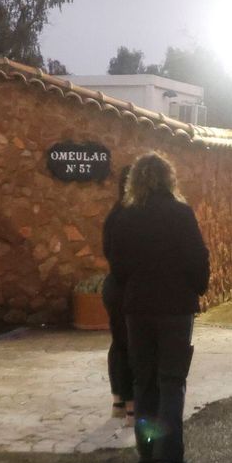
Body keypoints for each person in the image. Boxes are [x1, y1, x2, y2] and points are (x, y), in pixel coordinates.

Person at [103, 152, 209, 463]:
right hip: (175, 308)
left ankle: (148, 450)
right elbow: (197, 258)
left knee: (144, 380)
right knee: (172, 382)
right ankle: (170, 458)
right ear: (169, 178)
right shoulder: (180, 213)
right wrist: (197, 288)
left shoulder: (124, 217)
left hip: (137, 308)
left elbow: (116, 265)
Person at [101, 165, 134, 416]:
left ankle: (118, 402)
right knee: (133, 345)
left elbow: (109, 252)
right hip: (130, 288)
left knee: (119, 343)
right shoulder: (134, 215)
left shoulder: (114, 213)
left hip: (114, 286)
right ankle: (132, 404)